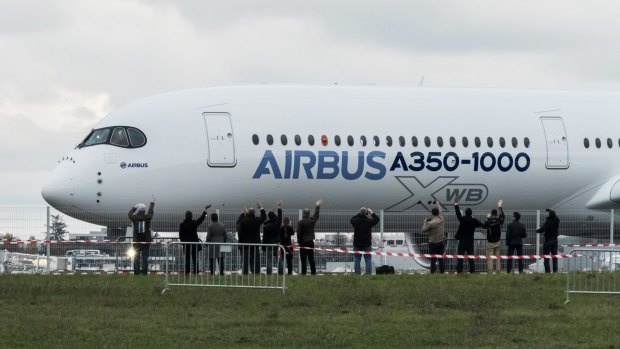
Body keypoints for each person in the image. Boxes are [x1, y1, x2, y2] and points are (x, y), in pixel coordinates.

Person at [178, 205, 210, 274]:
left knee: (187, 259)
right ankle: (196, 271)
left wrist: (183, 243)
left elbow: (180, 235)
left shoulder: (182, 225)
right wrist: (205, 210)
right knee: (195, 259)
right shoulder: (194, 223)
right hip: (194, 244)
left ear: (185, 216)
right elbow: (201, 219)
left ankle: (187, 271)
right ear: (191, 216)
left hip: (186, 245)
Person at [454, 200, 484, 273]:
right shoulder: (473, 220)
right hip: (470, 241)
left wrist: (456, 204)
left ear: (465, 213)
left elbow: (458, 214)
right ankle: (472, 271)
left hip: (462, 240)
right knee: (471, 257)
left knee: (460, 257)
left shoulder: (462, 219)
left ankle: (459, 271)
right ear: (471, 213)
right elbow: (481, 224)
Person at [236, 203, 266, 274]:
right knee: (256, 259)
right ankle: (256, 272)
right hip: (255, 243)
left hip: (245, 243)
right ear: (254, 213)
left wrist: (243, 214)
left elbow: (239, 225)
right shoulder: (257, 220)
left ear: (247, 213)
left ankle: (245, 272)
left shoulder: (243, 221)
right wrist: (261, 208)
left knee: (245, 259)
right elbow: (264, 217)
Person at [128, 200, 155, 275]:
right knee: (145, 258)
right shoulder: (147, 218)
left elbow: (129, 214)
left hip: (136, 241)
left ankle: (136, 273)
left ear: (138, 210)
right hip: (146, 242)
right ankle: (144, 273)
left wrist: (134, 207)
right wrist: (152, 203)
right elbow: (151, 211)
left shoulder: (134, 218)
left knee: (136, 258)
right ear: (144, 210)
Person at [350, 207, 380, 275]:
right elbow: (377, 219)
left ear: (360, 213)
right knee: (368, 259)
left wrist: (360, 213)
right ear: (366, 214)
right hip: (367, 244)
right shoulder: (369, 221)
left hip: (357, 244)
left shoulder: (356, 221)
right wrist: (371, 212)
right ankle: (368, 273)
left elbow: (351, 219)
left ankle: (357, 273)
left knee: (357, 259)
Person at [297, 199, 322, 275]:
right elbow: (316, 215)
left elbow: (299, 233)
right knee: (311, 258)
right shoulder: (311, 221)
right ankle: (313, 273)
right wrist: (317, 206)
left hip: (303, 242)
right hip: (310, 241)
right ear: (309, 213)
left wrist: (299, 241)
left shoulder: (300, 222)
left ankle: (304, 273)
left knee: (303, 259)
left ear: (303, 213)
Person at [421, 201, 446, 274]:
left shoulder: (431, 223)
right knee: (441, 259)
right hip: (441, 242)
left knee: (433, 259)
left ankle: (433, 272)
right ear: (438, 213)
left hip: (433, 243)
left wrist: (425, 222)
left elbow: (423, 230)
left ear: (432, 213)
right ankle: (442, 272)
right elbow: (441, 211)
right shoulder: (441, 219)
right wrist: (438, 204)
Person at [483, 200, 505, 273]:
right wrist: (500, 207)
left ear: (491, 214)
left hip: (490, 242)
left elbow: (484, 225)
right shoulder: (499, 220)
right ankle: (498, 271)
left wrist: (488, 218)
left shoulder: (489, 221)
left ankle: (490, 271)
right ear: (496, 214)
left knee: (490, 258)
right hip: (497, 241)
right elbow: (502, 216)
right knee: (498, 258)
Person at [262, 201, 282, 275]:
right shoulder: (277, 223)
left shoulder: (266, 226)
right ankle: (281, 272)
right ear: (274, 216)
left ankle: (269, 273)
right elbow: (279, 216)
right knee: (279, 258)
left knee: (269, 259)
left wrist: (263, 247)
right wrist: (279, 208)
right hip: (277, 243)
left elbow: (264, 237)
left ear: (268, 217)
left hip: (269, 243)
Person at [536, 209, 560, 273]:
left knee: (546, 257)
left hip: (548, 240)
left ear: (550, 215)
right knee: (555, 257)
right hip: (555, 240)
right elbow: (556, 217)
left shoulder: (548, 221)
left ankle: (548, 272)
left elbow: (542, 229)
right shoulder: (557, 221)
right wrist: (551, 211)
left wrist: (537, 230)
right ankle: (555, 272)